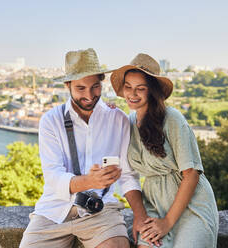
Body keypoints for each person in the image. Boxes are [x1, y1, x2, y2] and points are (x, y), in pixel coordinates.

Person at [19, 48, 145, 248]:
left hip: (101, 211)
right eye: (80, 88)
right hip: (54, 210)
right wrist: (90, 181)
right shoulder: (51, 121)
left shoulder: (118, 119)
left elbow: (128, 176)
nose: (89, 95)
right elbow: (53, 176)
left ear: (102, 81)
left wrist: (140, 217)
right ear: (67, 85)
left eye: (95, 87)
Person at [110, 53, 219, 248]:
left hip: (191, 206)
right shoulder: (128, 123)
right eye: (128, 87)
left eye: (140, 89)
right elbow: (126, 174)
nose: (132, 94)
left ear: (152, 91)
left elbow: (191, 174)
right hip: (154, 205)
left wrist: (167, 222)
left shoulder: (172, 118)